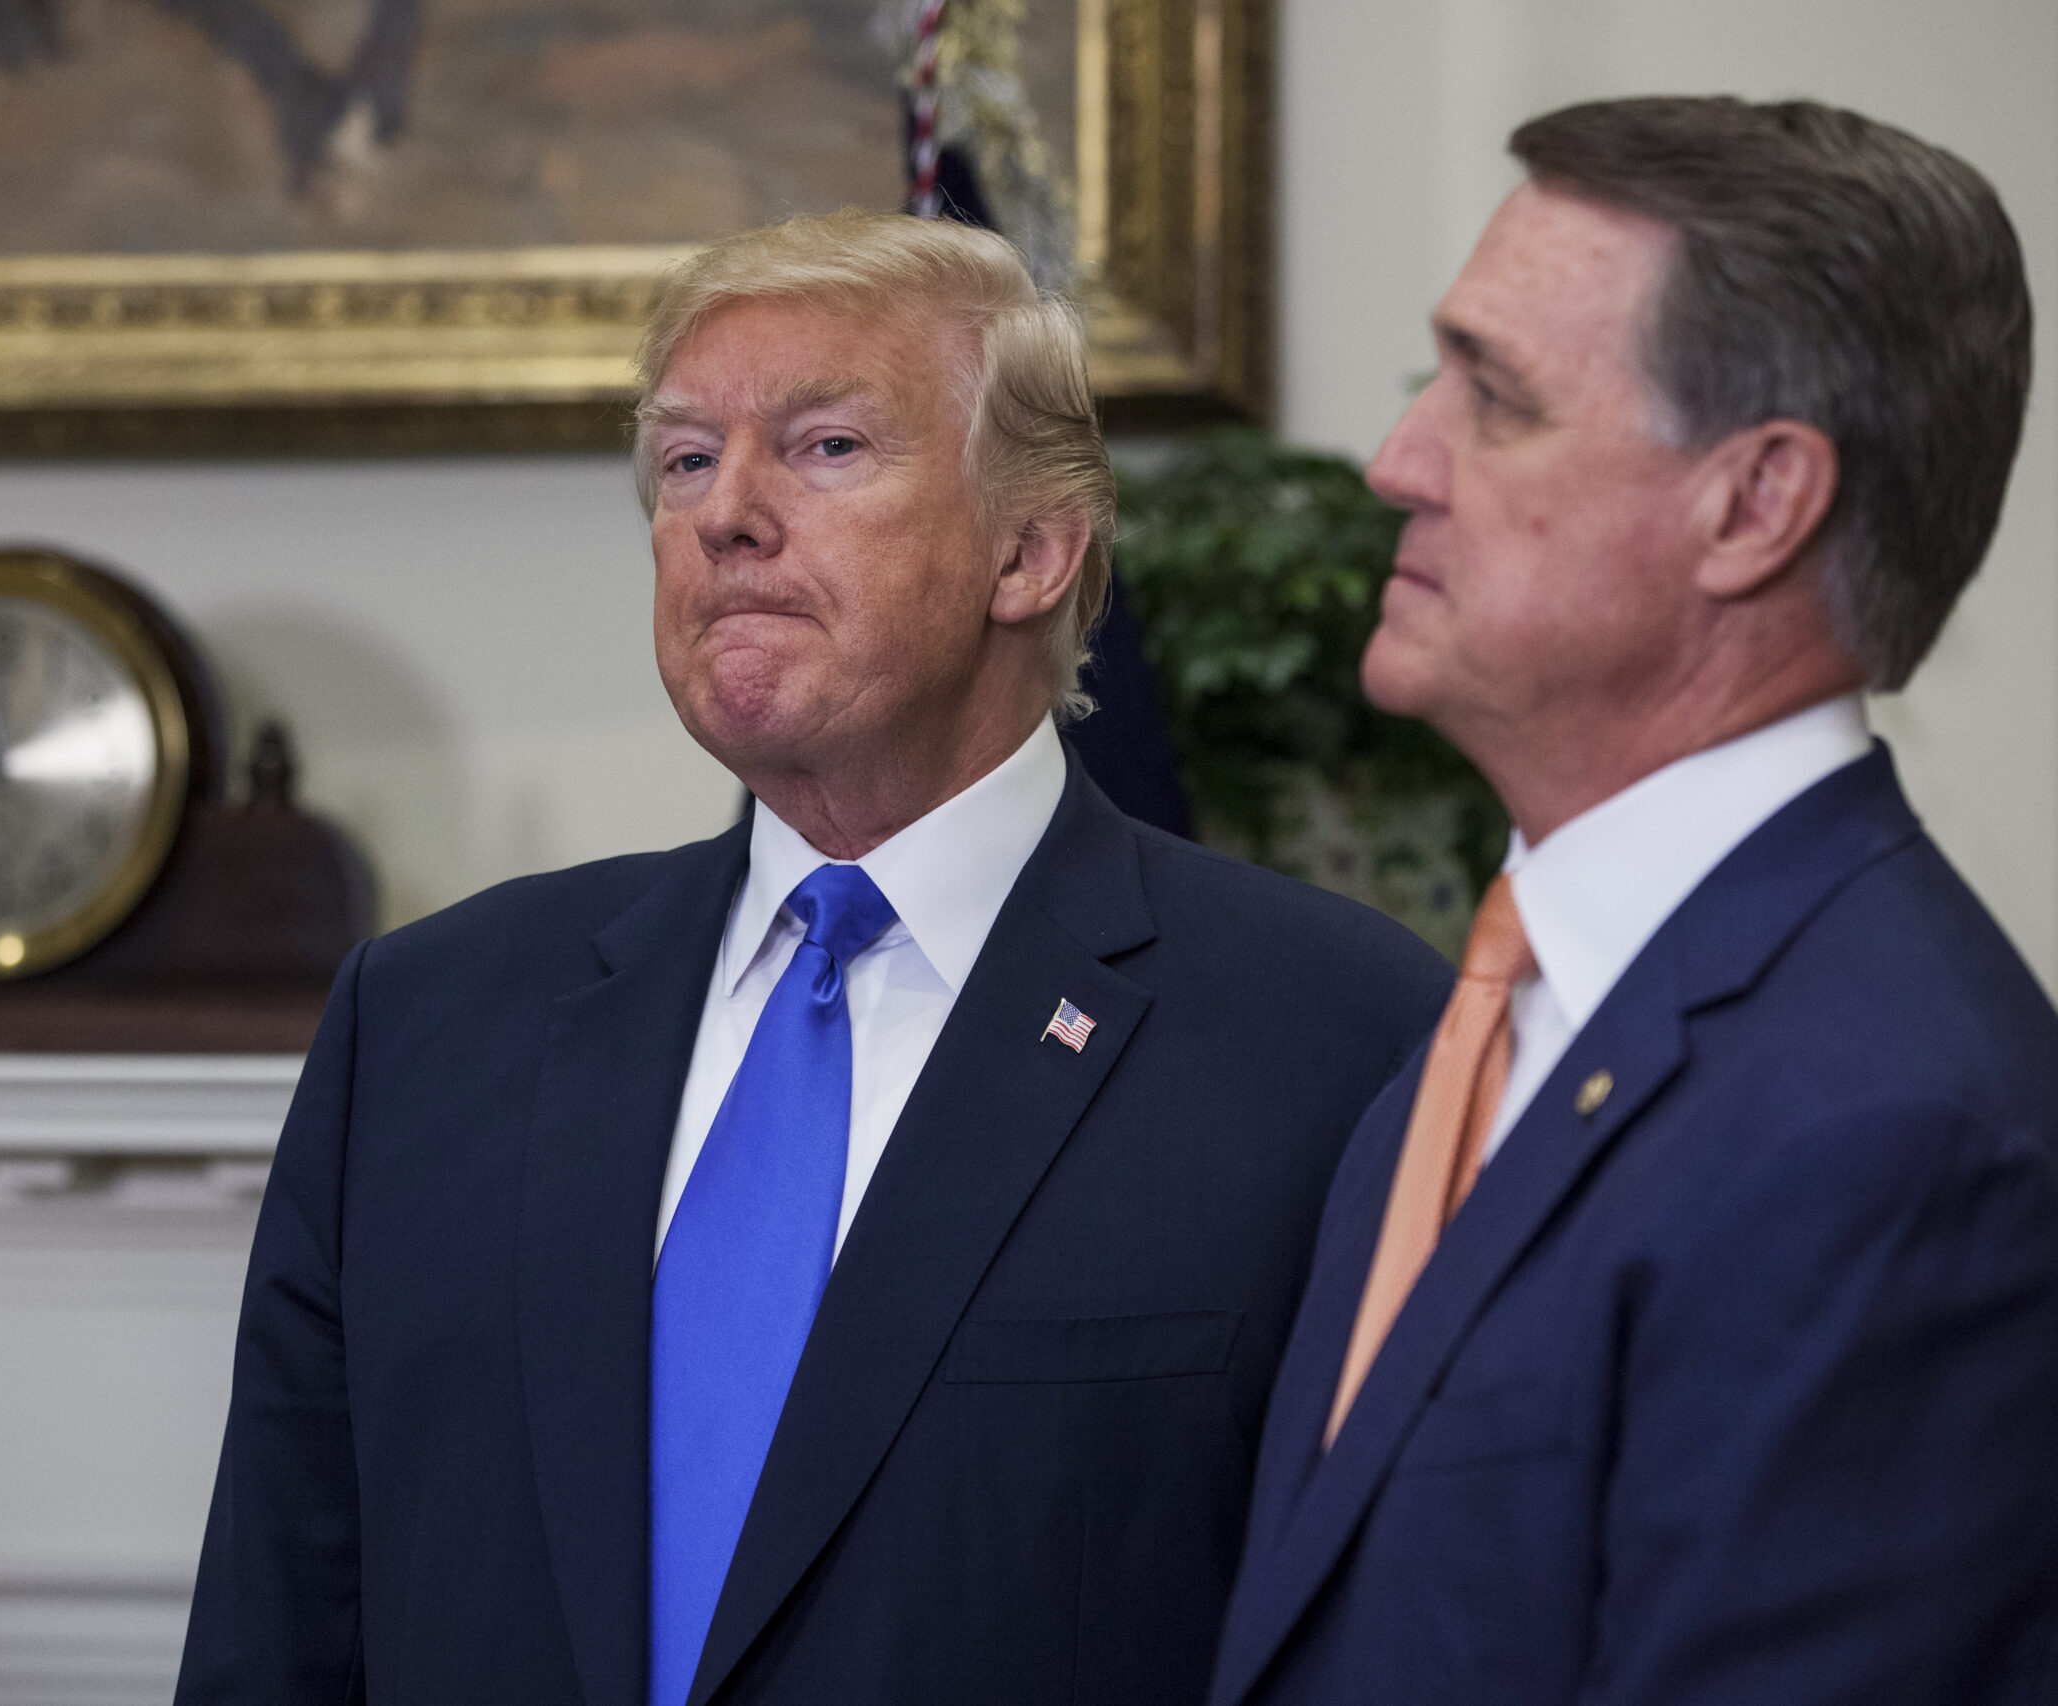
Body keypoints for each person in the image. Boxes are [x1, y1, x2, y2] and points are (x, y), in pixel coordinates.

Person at [174, 211, 1451, 1706]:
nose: (724, 514)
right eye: (685, 461)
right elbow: (281, 1629)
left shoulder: (1339, 1038)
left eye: (826, 447)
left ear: (1031, 551)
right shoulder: (424, 1024)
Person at [1209, 97, 2058, 1706]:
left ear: (1755, 504)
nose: (1399, 461)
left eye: (1495, 398)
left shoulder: (1896, 1138)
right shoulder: (1492, 1017)